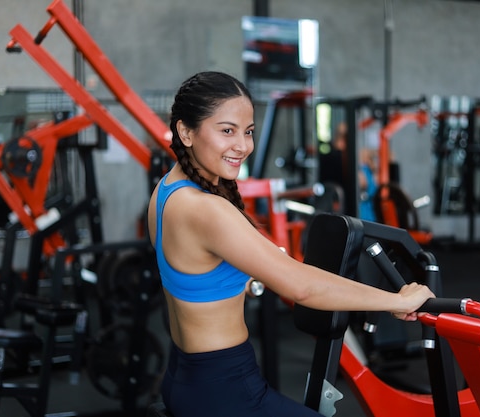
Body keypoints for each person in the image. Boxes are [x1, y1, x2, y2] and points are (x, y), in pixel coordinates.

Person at [146, 71, 435, 417]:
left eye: (248, 132)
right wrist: (395, 300)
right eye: (227, 130)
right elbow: (304, 288)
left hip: (186, 376)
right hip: (226, 389)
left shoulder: (165, 191)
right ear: (186, 132)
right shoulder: (207, 210)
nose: (243, 145)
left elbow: (200, 272)